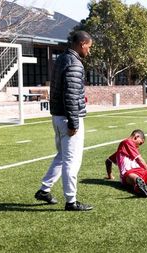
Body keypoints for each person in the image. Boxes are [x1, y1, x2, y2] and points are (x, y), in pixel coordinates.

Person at [34, 31, 93, 211]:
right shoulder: (74, 63)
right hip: (68, 118)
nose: (89, 52)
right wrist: (73, 122)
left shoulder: (61, 59)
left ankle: (44, 189)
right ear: (82, 43)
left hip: (58, 116)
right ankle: (71, 201)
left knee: (62, 156)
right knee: (71, 160)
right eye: (89, 47)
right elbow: (70, 94)